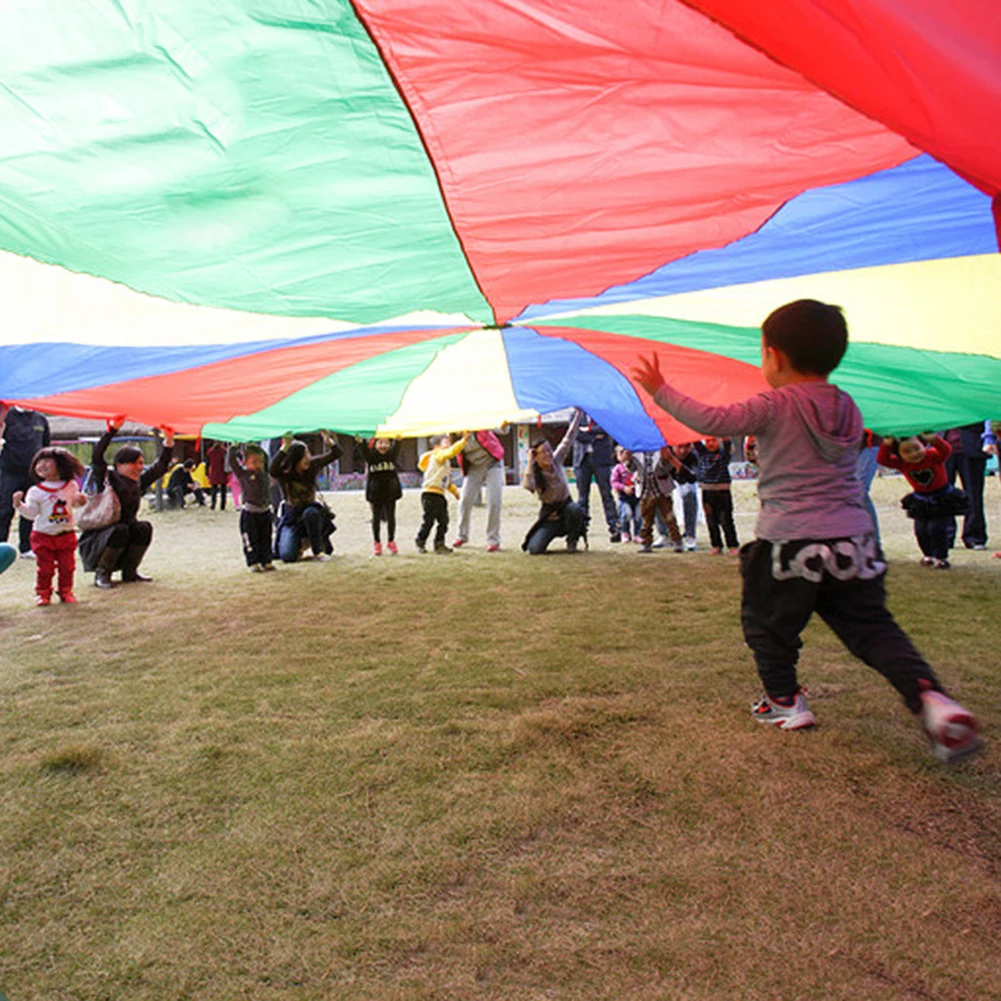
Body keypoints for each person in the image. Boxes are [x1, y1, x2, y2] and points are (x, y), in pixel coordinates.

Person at [633, 298, 981, 764]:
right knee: (875, 630)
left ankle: (783, 700)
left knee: (767, 625)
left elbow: (713, 421)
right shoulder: (849, 408)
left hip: (789, 541)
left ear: (774, 356)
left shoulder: (774, 405)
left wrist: (661, 390)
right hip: (854, 541)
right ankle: (933, 702)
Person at [79, 419, 174, 588]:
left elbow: (160, 467)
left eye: (141, 463)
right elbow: (97, 456)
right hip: (102, 536)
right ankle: (103, 574)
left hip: (126, 532)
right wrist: (112, 430)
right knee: (120, 530)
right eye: (134, 463)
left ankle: (130, 572)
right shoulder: (107, 479)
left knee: (143, 527)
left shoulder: (138, 482)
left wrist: (168, 440)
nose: (139, 467)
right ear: (119, 465)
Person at [877, 433, 965, 570]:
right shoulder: (902, 464)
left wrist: (935, 440)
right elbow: (882, 460)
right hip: (921, 500)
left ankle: (941, 557)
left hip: (941, 498)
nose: (914, 454)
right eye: (907, 452)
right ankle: (928, 555)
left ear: (923, 445)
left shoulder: (933, 456)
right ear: (899, 455)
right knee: (921, 530)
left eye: (917, 448)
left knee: (937, 529)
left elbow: (946, 450)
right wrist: (886, 445)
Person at [12, 446, 87, 605]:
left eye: (47, 461)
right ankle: (43, 593)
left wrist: (81, 501)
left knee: (67, 567)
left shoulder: (71, 485)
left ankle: (66, 591)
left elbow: (74, 503)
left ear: (60, 464)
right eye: (39, 461)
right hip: (43, 536)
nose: (41, 465)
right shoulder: (35, 491)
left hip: (66, 534)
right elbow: (31, 514)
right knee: (45, 568)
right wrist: (18, 504)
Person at [522, 410, 587, 554]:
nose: (547, 454)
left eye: (548, 450)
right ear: (536, 456)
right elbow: (527, 486)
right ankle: (548, 534)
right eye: (543, 452)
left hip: (567, 510)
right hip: (550, 516)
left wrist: (578, 416)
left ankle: (572, 539)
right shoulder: (535, 473)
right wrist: (530, 462)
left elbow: (568, 438)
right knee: (535, 549)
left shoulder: (556, 461)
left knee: (575, 508)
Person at [270, 431, 341, 563]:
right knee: (287, 556)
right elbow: (272, 469)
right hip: (293, 518)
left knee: (311, 512)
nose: (308, 458)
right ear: (294, 459)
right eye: (304, 456)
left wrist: (329, 442)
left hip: (312, 515)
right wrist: (284, 448)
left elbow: (337, 453)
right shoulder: (285, 474)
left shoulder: (312, 466)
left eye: (308, 454)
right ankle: (300, 543)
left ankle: (318, 550)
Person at [0, 404, 51, 558]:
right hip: (9, 472)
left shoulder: (41, 420)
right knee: (4, 510)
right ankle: (1, 544)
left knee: (30, 510)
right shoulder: (7, 417)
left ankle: (26, 547)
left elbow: (45, 446)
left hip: (33, 474)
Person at [453, 429, 505, 552]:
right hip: (474, 467)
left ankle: (493, 539)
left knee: (494, 501)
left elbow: (499, 428)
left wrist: (504, 425)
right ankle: (462, 535)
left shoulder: (479, 428)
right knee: (464, 501)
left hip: (493, 463)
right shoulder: (454, 437)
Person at [572, 413, 620, 543]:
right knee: (582, 497)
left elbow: (606, 428)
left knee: (606, 495)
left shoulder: (601, 412)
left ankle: (615, 527)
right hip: (582, 460)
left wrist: (587, 430)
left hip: (601, 459)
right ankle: (581, 528)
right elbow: (576, 434)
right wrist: (595, 435)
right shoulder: (575, 415)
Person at [415, 433, 467, 553]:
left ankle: (439, 543)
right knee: (428, 520)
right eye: (446, 442)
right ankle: (420, 541)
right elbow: (451, 452)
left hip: (439, 494)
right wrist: (463, 441)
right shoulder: (438, 455)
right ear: (436, 446)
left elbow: (447, 482)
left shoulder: (445, 462)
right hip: (430, 493)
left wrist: (455, 493)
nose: (449, 445)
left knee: (444, 521)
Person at [228, 443, 274, 572]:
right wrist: (233, 448)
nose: (258, 465)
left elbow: (267, 458)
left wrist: (255, 442)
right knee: (251, 539)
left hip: (265, 512)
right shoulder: (243, 475)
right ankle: (253, 561)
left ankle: (266, 560)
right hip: (250, 513)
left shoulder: (264, 473)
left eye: (260, 462)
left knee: (266, 538)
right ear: (245, 463)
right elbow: (232, 463)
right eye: (254, 462)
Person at [943, 423, 990, 550]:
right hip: (942, 449)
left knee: (973, 494)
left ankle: (975, 536)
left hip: (971, 447)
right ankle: (945, 536)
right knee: (942, 494)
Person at [355, 436, 403, 556]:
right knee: (376, 518)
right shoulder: (371, 457)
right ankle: (377, 543)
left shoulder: (391, 455)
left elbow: (397, 446)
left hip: (390, 492)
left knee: (391, 517)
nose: (383, 446)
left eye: (386, 443)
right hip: (376, 493)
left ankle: (391, 541)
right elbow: (364, 450)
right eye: (380, 443)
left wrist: (398, 440)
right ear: (375, 445)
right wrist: (361, 442)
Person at [694, 436, 739, 554]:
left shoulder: (723, 456)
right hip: (707, 492)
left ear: (719, 441)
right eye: (708, 441)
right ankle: (716, 544)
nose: (710, 444)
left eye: (713, 440)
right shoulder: (703, 454)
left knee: (726, 520)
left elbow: (728, 445)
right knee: (711, 520)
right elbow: (695, 442)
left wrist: (725, 438)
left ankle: (732, 544)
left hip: (722, 492)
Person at [634, 447, 683, 554]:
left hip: (662, 490)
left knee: (669, 517)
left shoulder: (662, 450)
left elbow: (669, 468)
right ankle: (646, 542)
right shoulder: (636, 452)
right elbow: (632, 468)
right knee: (647, 519)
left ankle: (676, 540)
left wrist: (666, 459)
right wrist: (628, 458)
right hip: (646, 490)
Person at [670, 442, 700, 551]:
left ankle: (690, 535)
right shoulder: (664, 452)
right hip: (668, 481)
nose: (683, 451)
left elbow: (693, 477)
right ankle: (665, 534)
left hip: (685, 481)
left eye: (687, 446)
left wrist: (676, 464)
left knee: (690, 493)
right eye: (680, 447)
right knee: (656, 494)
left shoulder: (694, 456)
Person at [611, 446, 641, 543]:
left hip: (637, 496)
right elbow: (614, 482)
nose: (625, 454)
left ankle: (638, 534)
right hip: (624, 497)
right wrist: (623, 488)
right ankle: (625, 532)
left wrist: (638, 481)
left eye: (627, 452)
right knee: (626, 514)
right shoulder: (618, 469)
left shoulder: (637, 467)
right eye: (621, 452)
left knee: (638, 515)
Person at [206, 441, 229, 511]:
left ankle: (213, 505)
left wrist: (206, 473)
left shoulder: (210, 451)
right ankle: (222, 506)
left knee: (214, 490)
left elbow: (207, 463)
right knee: (223, 490)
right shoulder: (224, 451)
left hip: (213, 472)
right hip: (222, 471)